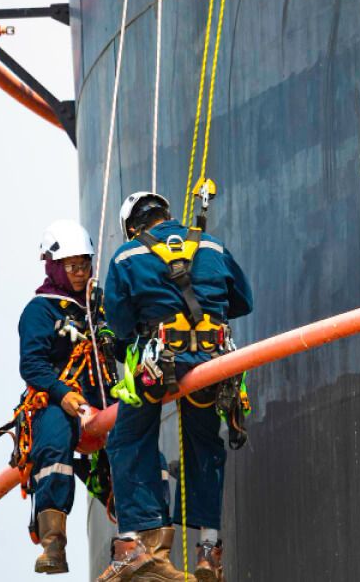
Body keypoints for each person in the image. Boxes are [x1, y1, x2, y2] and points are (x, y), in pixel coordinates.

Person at [96, 191, 253, 582]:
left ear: (132, 227)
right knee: (204, 445)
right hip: (213, 366)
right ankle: (208, 552)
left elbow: (120, 323)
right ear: (166, 215)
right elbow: (242, 301)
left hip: (159, 366)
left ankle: (135, 544)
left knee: (128, 440)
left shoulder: (128, 256)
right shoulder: (212, 245)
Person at [18, 219, 114, 574]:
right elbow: (32, 364)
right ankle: (53, 545)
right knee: (55, 445)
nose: (78, 272)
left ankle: (145, 542)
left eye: (84, 264)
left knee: (136, 440)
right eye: (71, 266)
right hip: (59, 402)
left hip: (102, 400)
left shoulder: (97, 309)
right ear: (55, 266)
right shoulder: (41, 310)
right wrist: (62, 393)